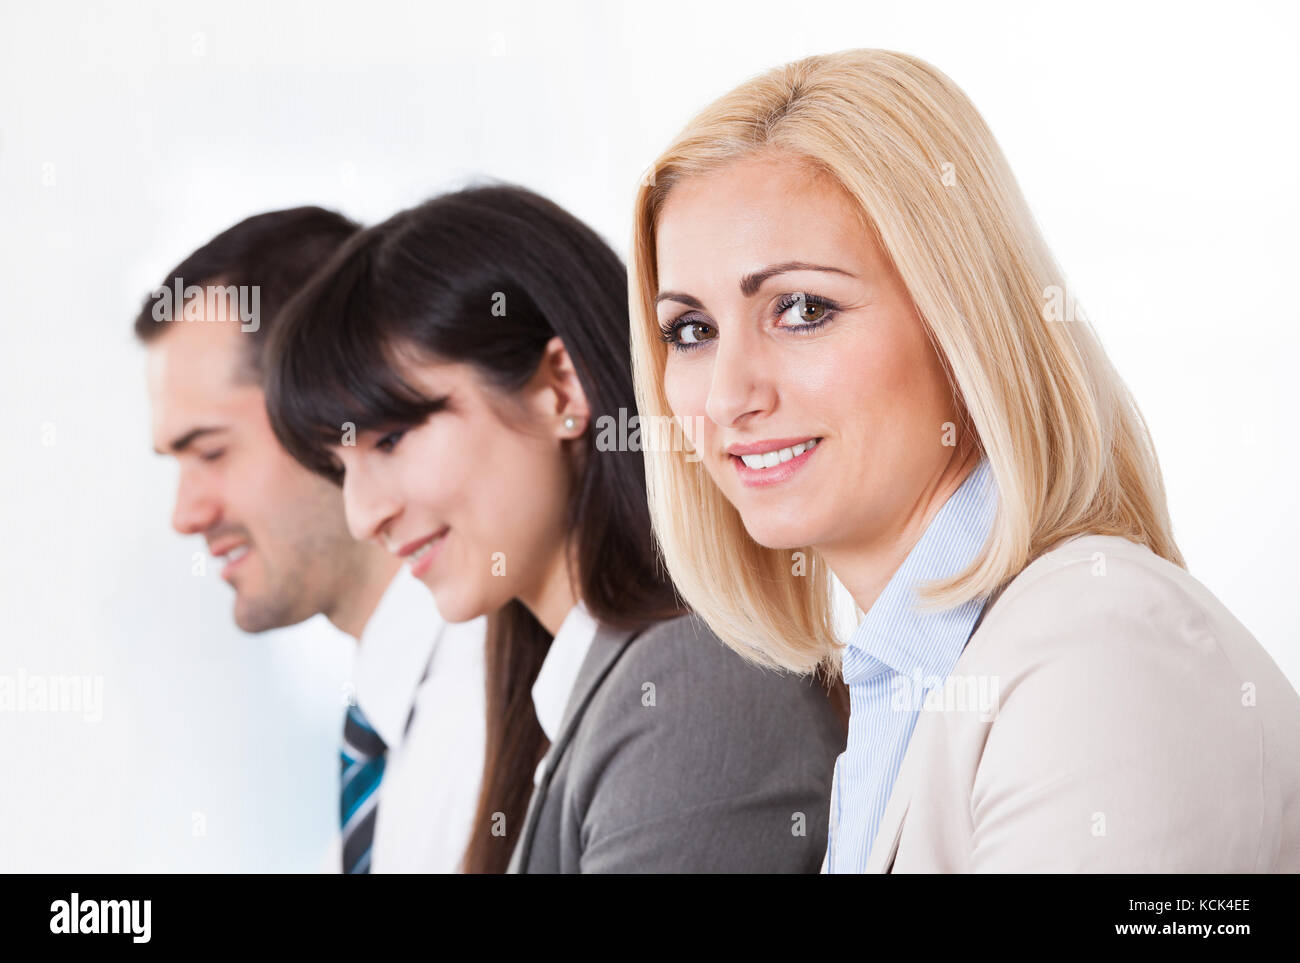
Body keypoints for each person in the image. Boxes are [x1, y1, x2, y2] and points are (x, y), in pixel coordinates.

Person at [627, 48, 1300, 872]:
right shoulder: (904, 679)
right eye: (691, 330)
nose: (729, 395)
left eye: (802, 308)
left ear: (961, 324)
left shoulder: (1092, 653)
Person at [263, 184, 846, 873]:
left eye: (390, 440)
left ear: (561, 389)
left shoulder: (692, 687)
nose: (364, 515)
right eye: (339, 466)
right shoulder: (562, 693)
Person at [136, 207, 486, 873]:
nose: (185, 513)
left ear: (327, 401)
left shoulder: (506, 710)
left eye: (209, 451)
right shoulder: (384, 745)